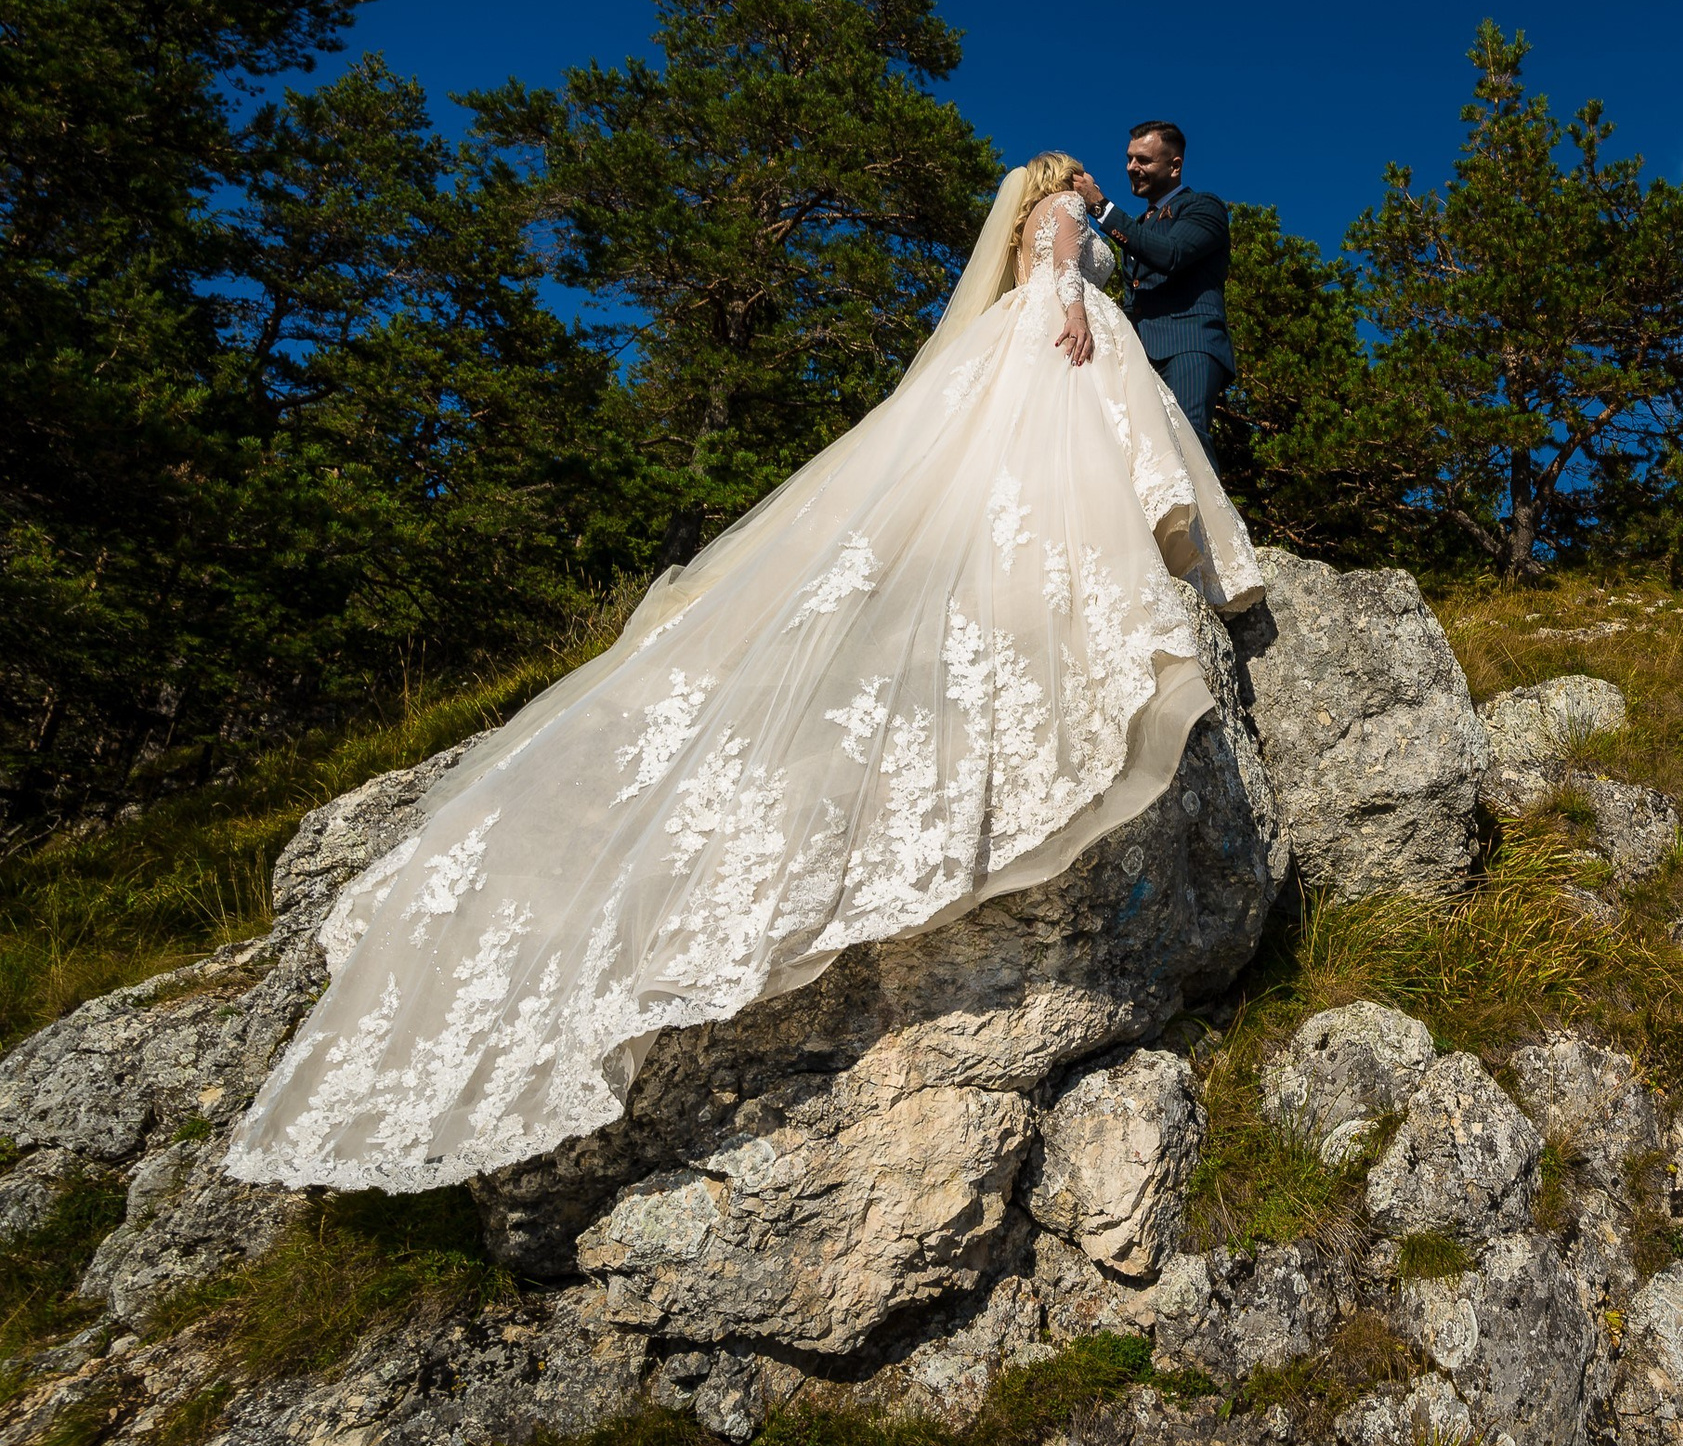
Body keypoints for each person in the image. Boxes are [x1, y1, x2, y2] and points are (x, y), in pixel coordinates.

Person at [224, 156, 1260, 1193]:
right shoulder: (1070, 208)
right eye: (1082, 165)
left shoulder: (1030, 216)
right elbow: (1069, 265)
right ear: (1058, 180)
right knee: (1058, 463)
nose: (1092, 171)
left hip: (1008, 340)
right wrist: (1074, 309)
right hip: (1051, 332)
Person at [1073, 122, 1234, 468]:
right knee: (1145, 451)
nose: (1132, 167)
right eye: (1129, 159)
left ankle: (1204, 524)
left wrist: (1101, 206)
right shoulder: (1139, 224)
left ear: (1175, 166)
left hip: (1188, 345)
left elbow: (1170, 255)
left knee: (1187, 440)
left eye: (1144, 160)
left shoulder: (1204, 207)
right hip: (1140, 353)